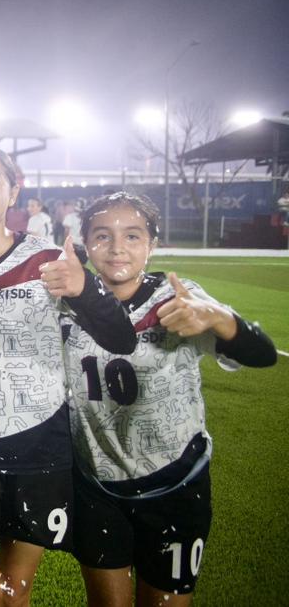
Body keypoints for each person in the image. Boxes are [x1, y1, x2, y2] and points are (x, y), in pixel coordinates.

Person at [0, 144, 136, 607]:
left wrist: (85, 289)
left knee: (14, 592)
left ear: (13, 191)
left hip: (39, 446)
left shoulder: (49, 259)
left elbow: (121, 338)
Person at [66, 192, 277, 606]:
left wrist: (221, 319)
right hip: (96, 481)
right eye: (103, 236)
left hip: (176, 481)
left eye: (132, 235)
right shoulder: (67, 301)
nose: (117, 248)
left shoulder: (179, 298)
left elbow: (263, 354)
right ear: (86, 243)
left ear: (152, 244)